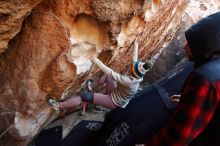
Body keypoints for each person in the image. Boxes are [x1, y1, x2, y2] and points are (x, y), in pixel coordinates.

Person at [147, 12, 220, 146]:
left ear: (205, 46)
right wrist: (191, 99)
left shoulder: (205, 79)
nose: (184, 46)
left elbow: (178, 137)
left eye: (192, 43)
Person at [48, 41, 153, 110]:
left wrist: (95, 60)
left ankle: (58, 106)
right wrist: (136, 45)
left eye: (132, 70)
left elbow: (111, 73)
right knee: (107, 78)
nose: (131, 69)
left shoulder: (129, 81)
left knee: (84, 97)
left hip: (112, 101)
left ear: (134, 73)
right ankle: (91, 86)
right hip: (115, 93)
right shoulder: (139, 76)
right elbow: (135, 59)